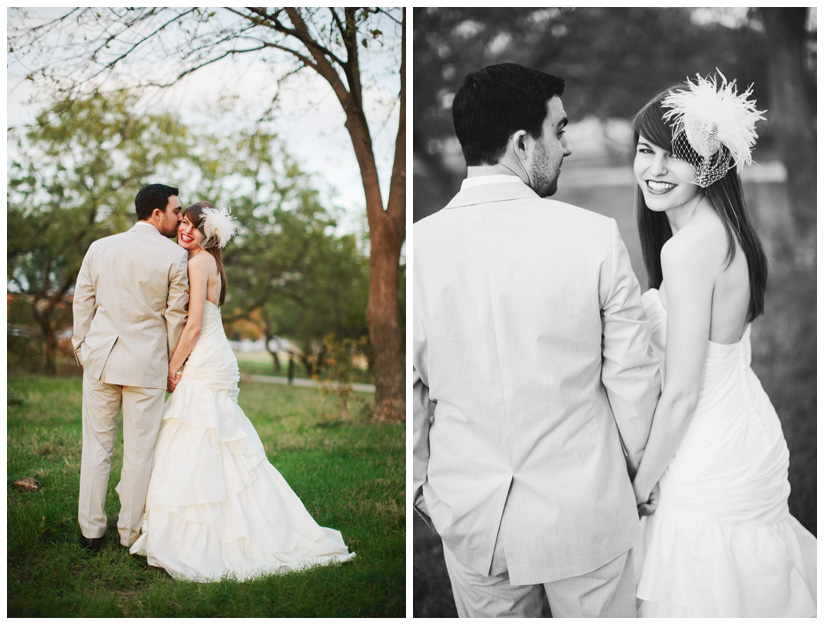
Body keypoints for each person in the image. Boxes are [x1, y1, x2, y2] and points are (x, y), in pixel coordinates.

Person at [412, 63, 661, 618]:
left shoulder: (420, 248)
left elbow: (411, 386)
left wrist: (421, 488)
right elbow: (633, 381)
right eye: (561, 129)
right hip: (588, 512)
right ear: (523, 144)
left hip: (473, 518)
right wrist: (639, 478)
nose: (568, 146)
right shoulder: (593, 236)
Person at [629, 73, 817, 617]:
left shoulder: (687, 250)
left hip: (704, 450)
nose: (655, 170)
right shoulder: (729, 229)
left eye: (676, 156)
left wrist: (639, 488)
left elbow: (683, 393)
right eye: (646, 152)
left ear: (710, 164)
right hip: (743, 423)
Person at [130, 201, 355, 582]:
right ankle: (220, 517)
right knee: (212, 443)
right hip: (214, 356)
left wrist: (173, 365)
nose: (185, 231)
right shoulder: (210, 262)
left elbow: (195, 324)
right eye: (182, 223)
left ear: (208, 234)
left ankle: (211, 531)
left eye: (193, 227)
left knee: (200, 437)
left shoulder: (199, 263)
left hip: (205, 357)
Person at [72, 183, 189, 550]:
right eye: (175, 211)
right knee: (140, 453)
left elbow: (82, 302)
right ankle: (129, 534)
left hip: (101, 361)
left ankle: (91, 532)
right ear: (156, 214)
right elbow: (175, 320)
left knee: (96, 447)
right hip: (146, 365)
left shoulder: (100, 247)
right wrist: (173, 367)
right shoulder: (175, 257)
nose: (179, 218)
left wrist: (82, 349)